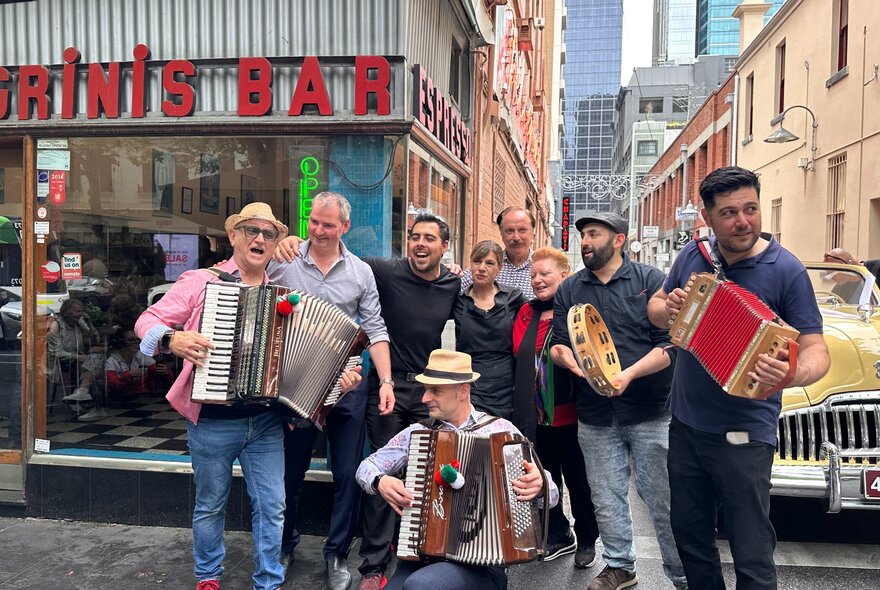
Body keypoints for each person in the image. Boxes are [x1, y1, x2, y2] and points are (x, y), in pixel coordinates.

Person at [135, 202, 362, 590]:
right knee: (210, 505)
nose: (259, 239)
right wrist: (172, 338)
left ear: (274, 244)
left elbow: (303, 367)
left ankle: (268, 581)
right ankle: (208, 576)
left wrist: (340, 382)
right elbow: (147, 321)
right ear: (234, 236)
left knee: (273, 506)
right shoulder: (201, 281)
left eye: (268, 234)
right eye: (251, 231)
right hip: (211, 422)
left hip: (265, 423)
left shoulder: (283, 295)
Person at [647, 166, 831, 590]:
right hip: (686, 425)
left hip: (746, 432)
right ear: (708, 217)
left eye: (751, 209)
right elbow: (656, 307)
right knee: (690, 537)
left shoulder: (786, 270)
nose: (743, 221)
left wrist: (792, 373)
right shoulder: (693, 256)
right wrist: (667, 308)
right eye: (729, 213)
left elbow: (817, 350)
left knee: (751, 548)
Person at [277, 212, 461, 590]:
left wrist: (463, 270)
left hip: (426, 390)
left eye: (430, 238)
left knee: (427, 471)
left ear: (445, 246)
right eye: (415, 236)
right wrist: (293, 241)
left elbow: (485, 283)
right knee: (381, 471)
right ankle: (373, 566)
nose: (420, 244)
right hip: (381, 387)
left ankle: (417, 549)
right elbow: (331, 250)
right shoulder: (383, 270)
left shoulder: (454, 282)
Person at [550, 212, 687, 590]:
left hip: (650, 411)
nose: (585, 241)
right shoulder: (570, 289)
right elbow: (558, 343)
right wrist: (569, 361)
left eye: (594, 234)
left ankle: (683, 574)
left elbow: (670, 346)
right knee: (606, 496)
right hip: (594, 413)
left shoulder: (651, 282)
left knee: (663, 499)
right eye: (583, 235)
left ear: (619, 239)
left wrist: (627, 375)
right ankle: (620, 566)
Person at [268, 192, 393, 590]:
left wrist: (385, 381)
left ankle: (336, 552)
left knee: (347, 474)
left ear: (345, 227)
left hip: (347, 385)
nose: (319, 230)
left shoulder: (360, 272)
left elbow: (375, 329)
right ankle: (284, 545)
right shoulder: (284, 260)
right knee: (290, 472)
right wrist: (277, 242)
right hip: (295, 383)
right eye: (314, 222)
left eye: (328, 224)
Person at [355, 349, 559, 590]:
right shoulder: (419, 433)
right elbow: (366, 467)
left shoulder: (502, 433)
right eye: (426, 389)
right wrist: (380, 481)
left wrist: (540, 486)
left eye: (435, 391)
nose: (424, 398)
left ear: (463, 390)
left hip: (483, 566)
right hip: (420, 556)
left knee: (421, 586)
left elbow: (552, 495)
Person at [512, 247, 600, 567]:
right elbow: (517, 354)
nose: (537, 280)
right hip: (535, 416)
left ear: (565, 275)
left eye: (545, 273)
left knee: (579, 482)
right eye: (533, 274)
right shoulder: (525, 312)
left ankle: (587, 538)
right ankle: (559, 533)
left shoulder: (576, 312)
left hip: (574, 415)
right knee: (545, 478)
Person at [451, 240, 525, 419]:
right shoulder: (457, 301)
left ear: (500, 268)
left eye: (489, 263)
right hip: (469, 385)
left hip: (507, 387)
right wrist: (445, 273)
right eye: (477, 261)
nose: (481, 268)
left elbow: (539, 314)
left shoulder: (513, 298)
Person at [48, 299, 107, 421]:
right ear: (66, 312)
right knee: (94, 365)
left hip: (78, 360)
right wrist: (79, 357)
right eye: (77, 311)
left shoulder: (79, 323)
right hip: (60, 362)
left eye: (81, 311)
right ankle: (95, 406)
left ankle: (84, 393)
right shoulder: (56, 326)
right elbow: (57, 353)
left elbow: (94, 340)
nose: (80, 314)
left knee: (97, 359)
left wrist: (89, 323)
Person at [460, 206, 536, 298]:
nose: (516, 237)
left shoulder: (542, 269)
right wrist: (450, 273)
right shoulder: (487, 265)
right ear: (501, 234)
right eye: (509, 231)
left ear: (533, 235)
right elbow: (455, 288)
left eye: (522, 230)